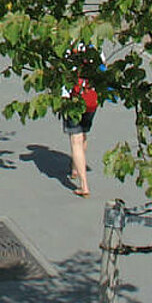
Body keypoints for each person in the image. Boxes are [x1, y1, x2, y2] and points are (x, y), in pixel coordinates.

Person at [64, 47, 102, 198]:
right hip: (92, 99)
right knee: (83, 134)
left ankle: (84, 185)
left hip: (74, 99)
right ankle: (75, 168)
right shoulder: (95, 47)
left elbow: (63, 74)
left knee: (76, 140)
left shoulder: (69, 49)